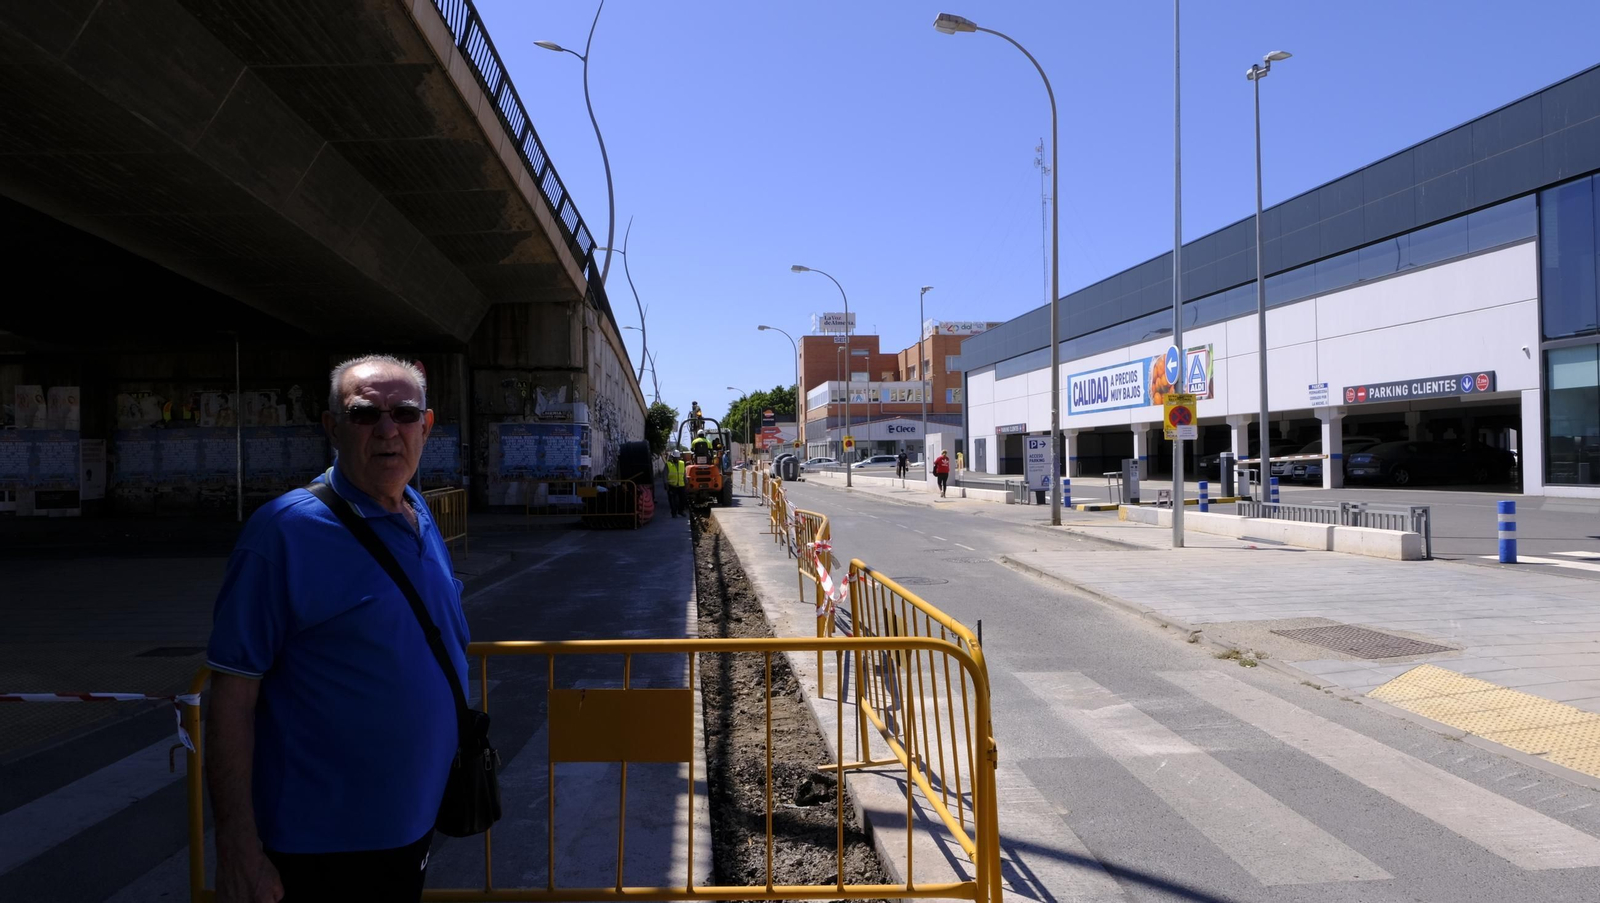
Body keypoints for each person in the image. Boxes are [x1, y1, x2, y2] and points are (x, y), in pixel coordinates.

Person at [206, 354, 469, 903]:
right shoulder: (284, 533)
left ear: (426, 426)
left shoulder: (418, 510)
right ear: (331, 427)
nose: (387, 431)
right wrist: (237, 848)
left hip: (412, 825)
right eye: (364, 415)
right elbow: (231, 696)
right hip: (322, 845)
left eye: (403, 414)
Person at [665, 448, 687, 517]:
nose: (677, 459)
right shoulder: (668, 464)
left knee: (682, 499)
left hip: (681, 485)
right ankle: (674, 513)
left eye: (678, 458)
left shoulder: (682, 463)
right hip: (672, 485)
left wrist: (686, 481)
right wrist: (666, 484)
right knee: (672, 501)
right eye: (675, 458)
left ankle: (681, 511)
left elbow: (684, 474)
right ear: (673, 457)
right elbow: (665, 475)